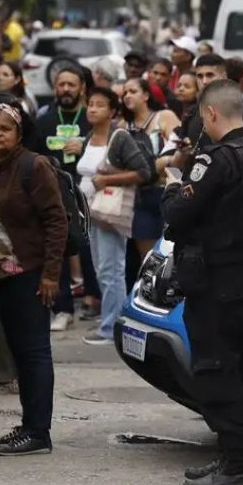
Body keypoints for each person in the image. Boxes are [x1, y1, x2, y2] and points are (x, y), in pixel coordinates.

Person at [161, 80, 243, 485]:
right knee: (240, 366)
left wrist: (174, 187)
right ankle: (237, 454)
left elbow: (178, 213)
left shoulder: (215, 161)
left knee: (216, 370)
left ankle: (235, 465)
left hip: (215, 279)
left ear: (211, 113)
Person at [0, 101, 68, 456]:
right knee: (20, 353)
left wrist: (50, 274)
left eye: (4, 128)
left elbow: (56, 221)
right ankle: (28, 424)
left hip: (28, 274)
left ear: (19, 133)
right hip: (0, 276)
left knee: (34, 353)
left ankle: (38, 431)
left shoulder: (34, 165)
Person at [74, 88, 153, 345]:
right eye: (91, 104)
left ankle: (112, 328)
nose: (93, 109)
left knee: (112, 269)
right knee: (101, 268)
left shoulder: (119, 138)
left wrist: (106, 179)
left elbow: (143, 172)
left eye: (100, 105)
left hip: (110, 211)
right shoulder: (88, 137)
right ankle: (111, 318)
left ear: (113, 112)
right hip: (90, 212)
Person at [122, 78, 180, 262]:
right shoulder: (124, 125)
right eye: (124, 93)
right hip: (139, 195)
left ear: (146, 95)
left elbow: (181, 147)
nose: (127, 96)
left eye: (132, 91)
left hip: (165, 191)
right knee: (148, 259)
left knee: (171, 253)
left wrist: (163, 161)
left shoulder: (164, 116)